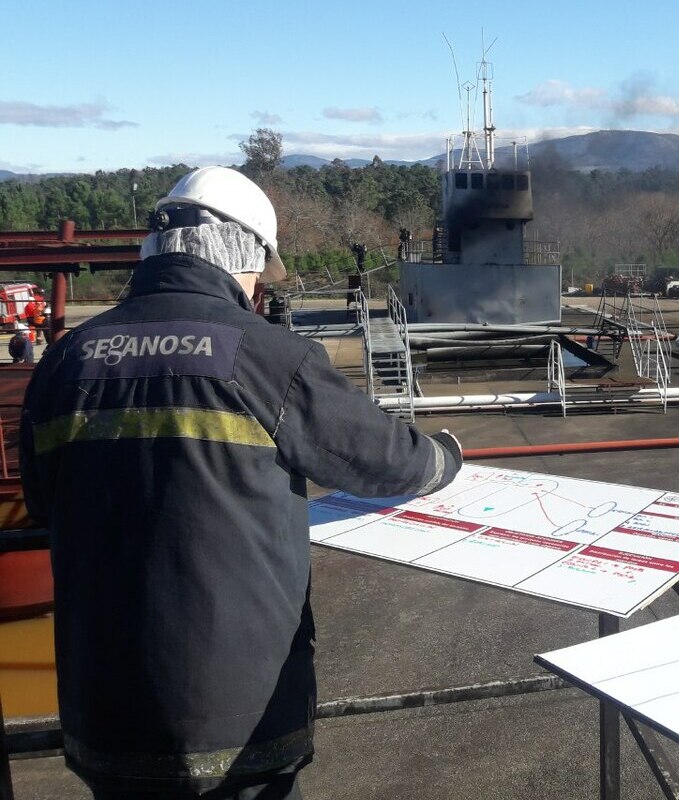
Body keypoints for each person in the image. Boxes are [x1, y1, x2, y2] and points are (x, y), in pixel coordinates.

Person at [19, 166, 463, 799]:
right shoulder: (267, 356)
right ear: (239, 251)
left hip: (103, 714)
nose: (257, 291)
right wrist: (443, 459)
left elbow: (43, 501)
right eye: (258, 271)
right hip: (239, 722)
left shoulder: (66, 359)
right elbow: (384, 457)